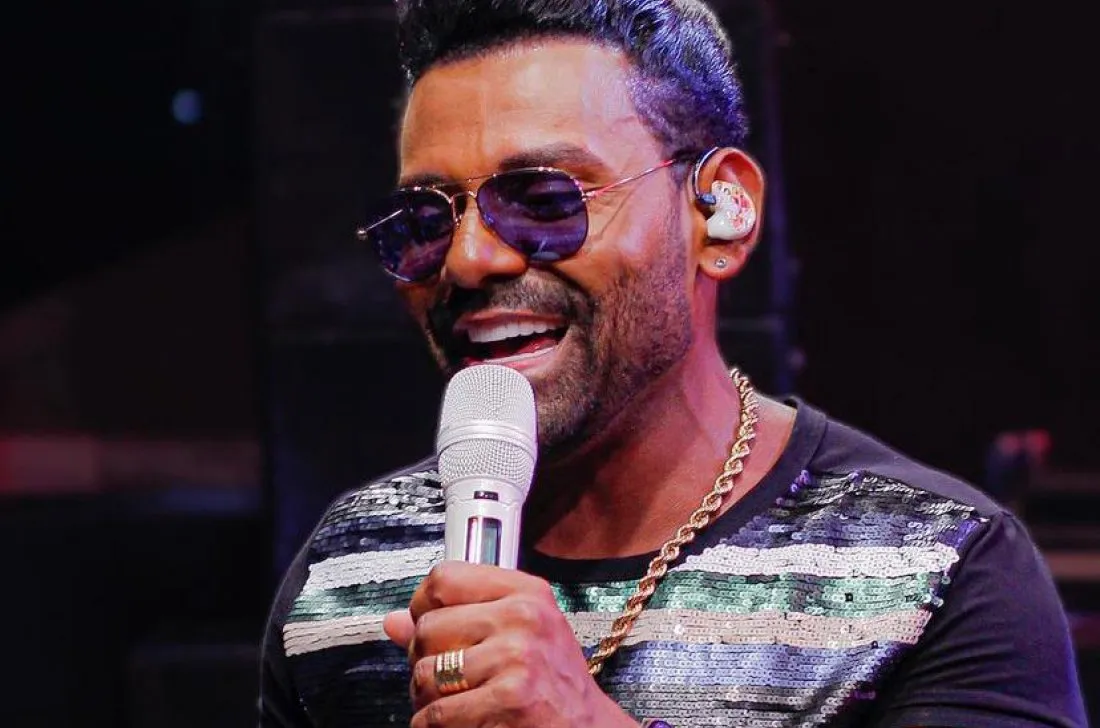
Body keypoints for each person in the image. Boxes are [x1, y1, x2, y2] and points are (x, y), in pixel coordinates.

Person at [258, 1, 1087, 726]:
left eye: (544, 200)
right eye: (425, 220)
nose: (469, 259)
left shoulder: (934, 570)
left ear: (721, 213)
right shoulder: (344, 576)